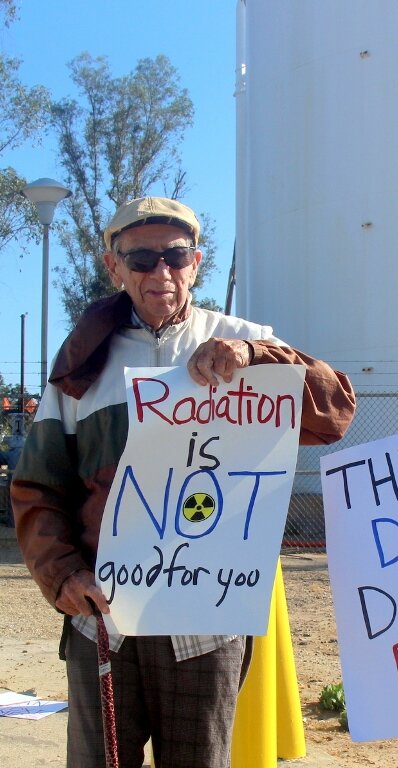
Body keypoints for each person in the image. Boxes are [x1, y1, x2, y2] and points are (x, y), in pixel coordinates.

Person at [11, 196, 356, 768]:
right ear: (113, 266)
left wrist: (255, 356)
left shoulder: (244, 338)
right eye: (141, 259)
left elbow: (335, 412)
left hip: (207, 617)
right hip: (105, 614)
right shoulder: (80, 366)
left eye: (175, 256)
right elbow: (37, 487)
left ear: (197, 262)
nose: (161, 273)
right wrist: (63, 575)